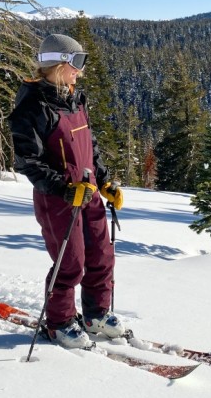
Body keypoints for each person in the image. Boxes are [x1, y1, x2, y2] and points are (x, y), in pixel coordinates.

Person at [8, 33, 125, 349]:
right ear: (57, 64)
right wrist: (62, 188)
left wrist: (106, 183)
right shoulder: (31, 107)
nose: (80, 71)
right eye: (76, 62)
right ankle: (59, 323)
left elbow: (91, 147)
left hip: (88, 195)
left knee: (101, 254)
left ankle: (96, 313)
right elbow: (27, 161)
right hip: (58, 200)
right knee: (70, 262)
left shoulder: (75, 98)